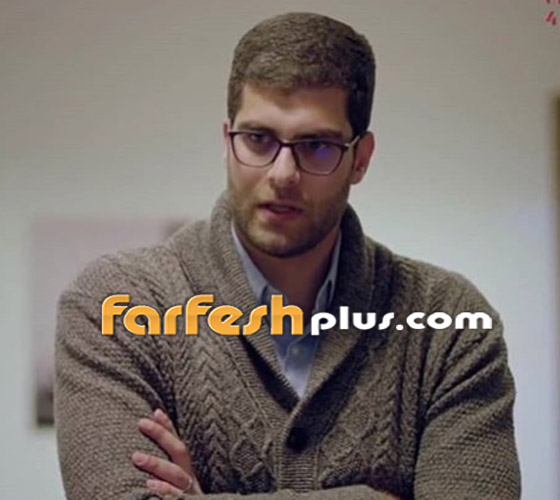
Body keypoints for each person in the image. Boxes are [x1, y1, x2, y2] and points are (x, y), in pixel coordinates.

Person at [54, 12, 521, 500]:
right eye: (258, 139)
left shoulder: (449, 322)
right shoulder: (116, 305)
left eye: (316, 146)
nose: (282, 174)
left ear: (361, 159)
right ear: (227, 142)